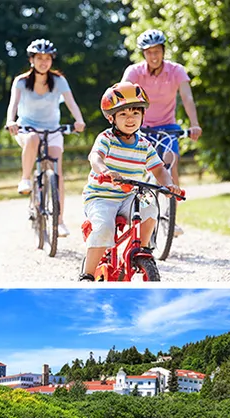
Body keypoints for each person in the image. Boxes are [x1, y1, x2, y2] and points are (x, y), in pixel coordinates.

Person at [80, 82, 177, 281]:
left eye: (135, 113)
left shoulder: (144, 144)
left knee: (150, 208)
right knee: (104, 227)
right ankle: (87, 275)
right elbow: (95, 158)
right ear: (111, 118)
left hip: (127, 195)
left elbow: (159, 168)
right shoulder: (106, 138)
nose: (130, 119)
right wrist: (105, 171)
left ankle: (141, 249)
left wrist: (168, 184)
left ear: (143, 115)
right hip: (101, 197)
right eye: (123, 114)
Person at [121, 29, 202, 237]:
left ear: (163, 51)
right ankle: (131, 211)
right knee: (136, 167)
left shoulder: (176, 71)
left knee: (170, 161)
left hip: (168, 126)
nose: (154, 56)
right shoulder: (134, 72)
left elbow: (188, 99)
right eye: (149, 52)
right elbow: (123, 95)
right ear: (143, 54)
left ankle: (171, 218)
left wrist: (194, 124)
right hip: (142, 127)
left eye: (157, 51)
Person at [4, 38, 87, 237]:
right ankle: (25, 179)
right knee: (32, 139)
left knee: (56, 171)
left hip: (52, 131)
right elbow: (13, 105)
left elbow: (71, 103)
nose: (43, 62)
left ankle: (59, 221)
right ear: (32, 60)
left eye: (47, 58)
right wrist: (11, 121)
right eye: (39, 58)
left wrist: (79, 120)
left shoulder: (59, 81)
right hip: (26, 128)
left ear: (52, 60)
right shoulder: (22, 81)